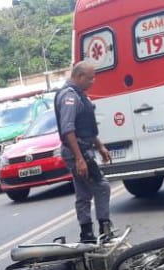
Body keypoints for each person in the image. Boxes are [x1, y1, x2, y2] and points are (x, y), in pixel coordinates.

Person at [54, 60, 114, 244]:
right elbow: (68, 129)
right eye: (90, 78)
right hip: (77, 151)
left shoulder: (79, 95)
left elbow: (85, 127)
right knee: (101, 186)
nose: (93, 81)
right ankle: (104, 228)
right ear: (79, 76)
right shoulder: (69, 97)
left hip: (83, 148)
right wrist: (79, 158)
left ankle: (87, 234)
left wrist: (100, 146)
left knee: (83, 192)